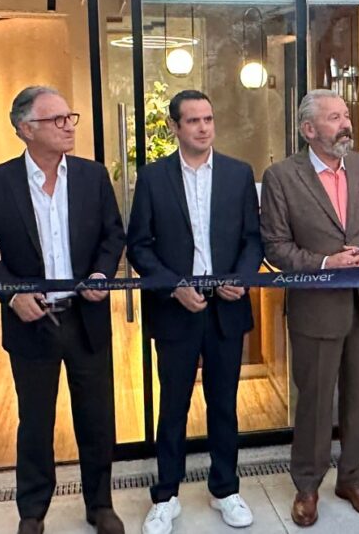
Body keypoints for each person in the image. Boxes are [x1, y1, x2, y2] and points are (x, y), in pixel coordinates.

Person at [0, 86, 127, 534]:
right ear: (25, 129)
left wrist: (101, 274)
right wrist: (11, 294)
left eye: (69, 117)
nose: (68, 126)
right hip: (31, 322)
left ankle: (100, 505)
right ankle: (33, 512)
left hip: (85, 319)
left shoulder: (93, 176)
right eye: (56, 120)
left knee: (96, 418)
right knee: (35, 422)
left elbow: (113, 235)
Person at [259, 89, 359, 528]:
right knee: (316, 402)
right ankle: (307, 486)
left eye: (346, 115)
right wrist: (326, 263)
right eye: (335, 118)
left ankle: (352, 478)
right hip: (316, 309)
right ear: (309, 129)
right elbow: (276, 247)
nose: (346, 124)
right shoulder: (282, 177)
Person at [126, 90, 264, 534]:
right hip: (177, 308)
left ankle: (225, 489)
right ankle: (166, 496)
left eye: (208, 119)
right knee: (173, 407)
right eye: (193, 121)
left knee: (224, 403)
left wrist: (241, 278)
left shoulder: (238, 174)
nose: (204, 127)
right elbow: (139, 246)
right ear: (174, 127)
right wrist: (175, 286)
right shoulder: (153, 178)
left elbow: (253, 239)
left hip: (227, 306)